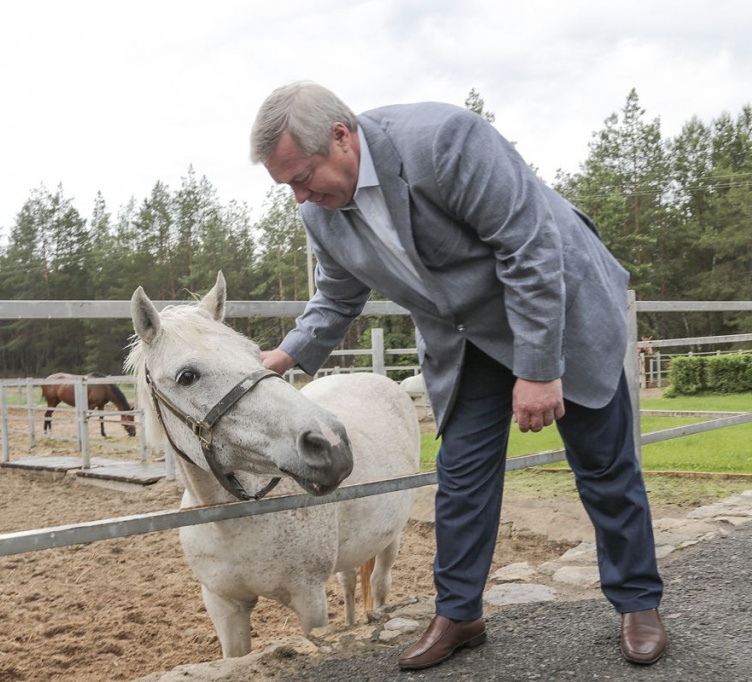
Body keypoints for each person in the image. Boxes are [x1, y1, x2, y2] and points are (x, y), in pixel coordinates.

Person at [249, 81, 666, 670]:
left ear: (341, 137)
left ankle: (638, 602)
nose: (299, 195)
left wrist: (540, 371)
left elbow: (529, 248)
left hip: (558, 310)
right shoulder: (322, 213)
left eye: (302, 175)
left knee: (603, 465)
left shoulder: (445, 141)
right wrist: (285, 356)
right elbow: (337, 296)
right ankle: (460, 613)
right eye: (286, 185)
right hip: (468, 340)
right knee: (462, 477)